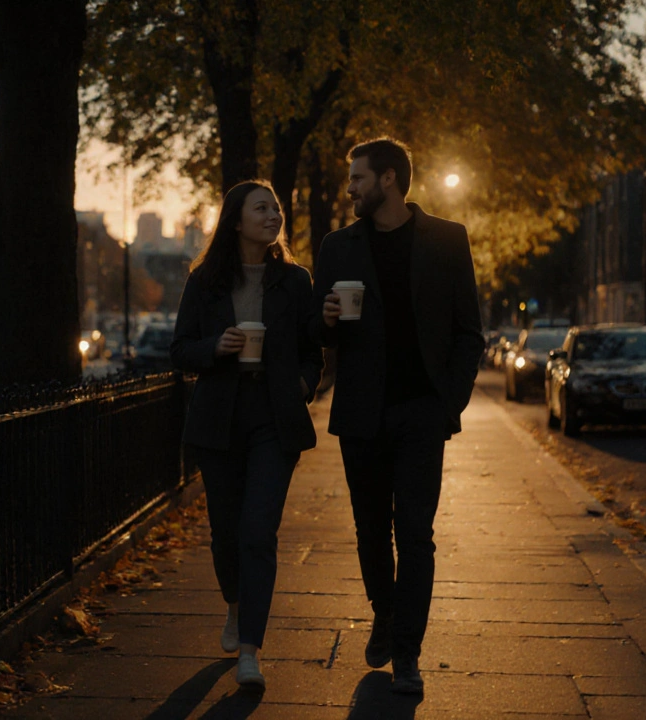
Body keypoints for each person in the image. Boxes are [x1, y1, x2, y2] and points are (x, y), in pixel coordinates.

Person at [311, 138, 484, 694]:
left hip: (421, 413)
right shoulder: (337, 246)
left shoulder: (447, 239)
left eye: (358, 178)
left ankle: (407, 652)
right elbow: (315, 333)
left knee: (415, 535)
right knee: (370, 530)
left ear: (388, 179)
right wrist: (326, 319)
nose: (350, 189)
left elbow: (469, 332)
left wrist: (447, 404)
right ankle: (384, 613)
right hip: (361, 412)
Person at [170, 180, 323, 689]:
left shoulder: (295, 280)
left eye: (276, 207)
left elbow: (312, 351)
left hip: (274, 418)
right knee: (226, 534)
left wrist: (302, 384)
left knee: (258, 533)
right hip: (218, 419)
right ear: (236, 220)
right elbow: (180, 350)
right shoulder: (205, 281)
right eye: (262, 208)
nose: (274, 215)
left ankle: (251, 651)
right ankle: (235, 607)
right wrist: (216, 346)